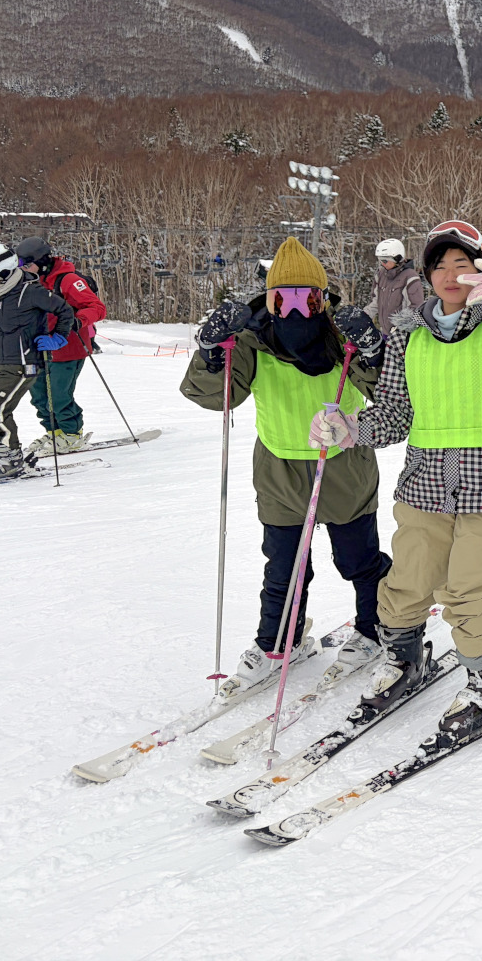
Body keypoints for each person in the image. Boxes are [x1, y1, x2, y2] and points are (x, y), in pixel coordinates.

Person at [309, 220, 482, 725]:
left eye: (463, 264)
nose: (451, 275)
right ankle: (403, 659)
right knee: (407, 583)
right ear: (427, 275)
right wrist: (348, 428)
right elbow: (395, 414)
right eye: (440, 266)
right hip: (425, 483)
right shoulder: (407, 336)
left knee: (468, 590)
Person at [180, 236, 390, 696]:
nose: (295, 311)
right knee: (284, 567)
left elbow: (387, 394)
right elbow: (218, 396)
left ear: (323, 299)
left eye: (307, 300)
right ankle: (279, 643)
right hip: (279, 467)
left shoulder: (343, 336)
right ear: (268, 299)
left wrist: (374, 352)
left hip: (342, 463)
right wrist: (212, 353)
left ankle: (375, 628)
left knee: (357, 560)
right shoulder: (252, 340)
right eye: (283, 300)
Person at [0, 243, 81, 485]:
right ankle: (10, 455)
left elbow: (65, 311)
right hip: (2, 360)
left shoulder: (30, 291)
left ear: (2, 270)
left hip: (23, 363)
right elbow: (11, 328)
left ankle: (9, 461)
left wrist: (58, 337)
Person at [14, 236, 107, 457]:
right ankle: (55, 432)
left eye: (27, 264)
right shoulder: (30, 281)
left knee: (58, 395)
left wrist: (77, 321)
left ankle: (72, 434)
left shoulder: (68, 280)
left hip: (68, 348)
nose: (23, 269)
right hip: (39, 347)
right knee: (39, 395)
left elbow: (97, 307)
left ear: (42, 261)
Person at [363, 238, 425, 331]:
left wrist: (401, 326)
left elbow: (416, 306)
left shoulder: (410, 277)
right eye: (380, 260)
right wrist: (364, 315)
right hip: (385, 331)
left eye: (385, 260)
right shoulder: (380, 275)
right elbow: (375, 302)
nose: (382, 264)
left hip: (402, 333)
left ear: (397, 258)